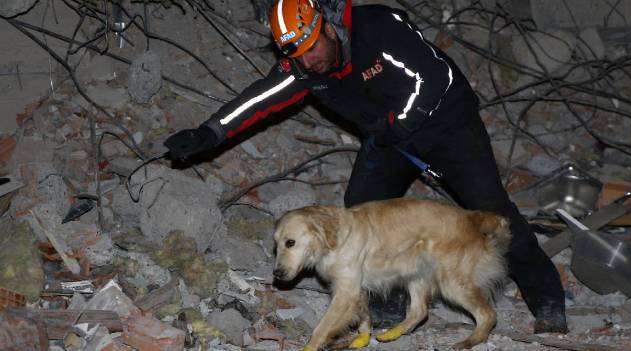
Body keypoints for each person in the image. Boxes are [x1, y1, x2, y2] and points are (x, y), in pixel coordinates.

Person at [164, 0, 568, 334]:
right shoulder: (305, 69)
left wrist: (398, 125)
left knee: (489, 207)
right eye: (295, 54)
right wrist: (208, 134)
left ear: (326, 26)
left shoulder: (376, 27)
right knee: (361, 207)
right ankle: (390, 299)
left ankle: (546, 296)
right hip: (389, 134)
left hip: (447, 121)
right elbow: (259, 99)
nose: (309, 60)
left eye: (311, 46)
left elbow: (433, 77)